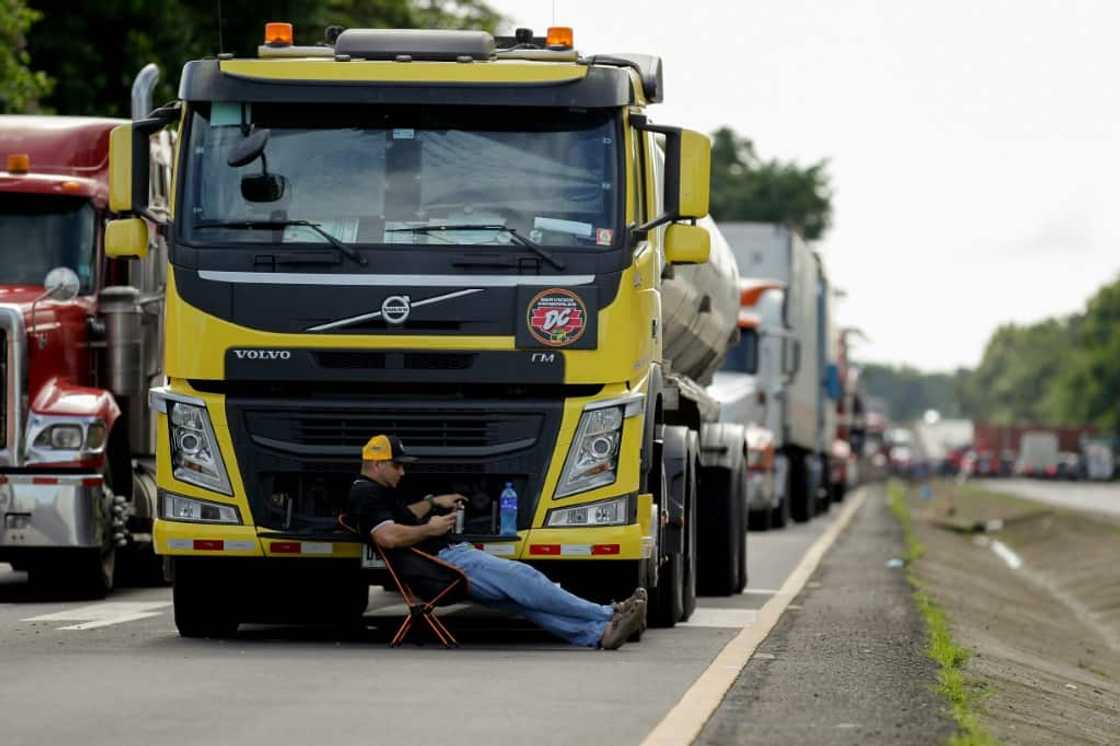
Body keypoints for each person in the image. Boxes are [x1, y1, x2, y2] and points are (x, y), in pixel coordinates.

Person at [348, 434, 646, 649]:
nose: (403, 471)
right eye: (397, 465)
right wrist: (431, 528)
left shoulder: (375, 492)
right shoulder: (367, 494)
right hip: (448, 564)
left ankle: (600, 634)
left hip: (447, 559)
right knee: (527, 579)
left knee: (522, 599)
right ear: (377, 464)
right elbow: (387, 536)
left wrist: (432, 502)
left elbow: (401, 517)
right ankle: (609, 612)